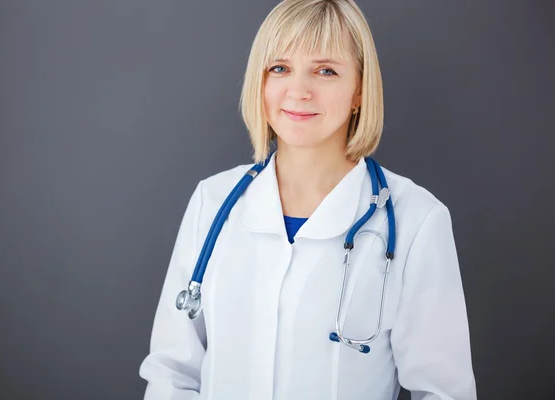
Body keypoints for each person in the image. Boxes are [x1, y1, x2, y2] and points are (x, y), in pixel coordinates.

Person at [139, 0, 476, 398]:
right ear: (260, 82)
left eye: (326, 71)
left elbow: (442, 392)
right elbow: (172, 373)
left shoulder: (416, 220)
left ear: (359, 91)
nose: (298, 90)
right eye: (279, 68)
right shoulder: (212, 202)